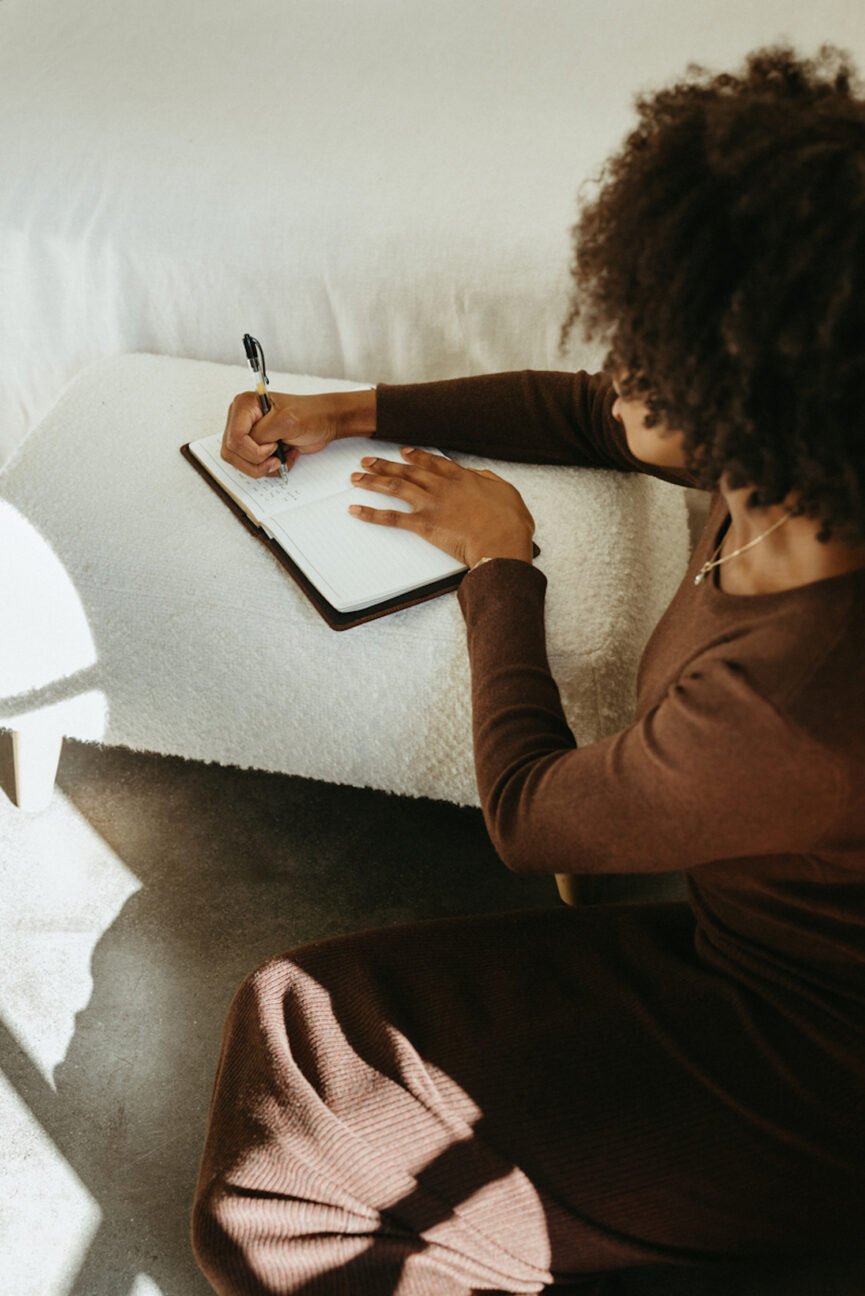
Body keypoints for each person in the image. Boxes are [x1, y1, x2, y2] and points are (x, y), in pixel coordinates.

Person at [191, 44, 865, 1295]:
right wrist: (354, 410)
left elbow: (530, 817)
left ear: (746, 397)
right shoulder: (809, 457)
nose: (624, 368)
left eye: (651, 352)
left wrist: (499, 563)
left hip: (808, 1067)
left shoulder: (796, 700)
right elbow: (584, 412)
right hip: (753, 963)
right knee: (295, 1025)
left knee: (279, 1194)